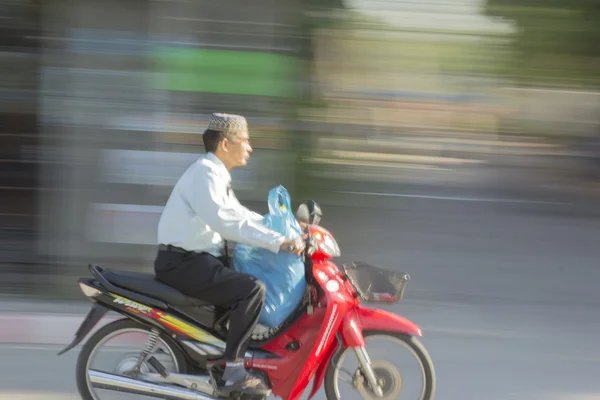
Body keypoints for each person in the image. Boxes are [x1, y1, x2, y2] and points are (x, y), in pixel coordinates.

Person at [154, 113, 303, 396]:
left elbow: (240, 215)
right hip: (183, 263)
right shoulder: (206, 173)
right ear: (225, 144)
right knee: (251, 291)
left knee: (243, 286)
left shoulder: (216, 173)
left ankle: (219, 360)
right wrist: (279, 241)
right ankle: (232, 371)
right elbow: (227, 222)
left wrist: (287, 228)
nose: (250, 148)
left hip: (197, 260)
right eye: (245, 141)